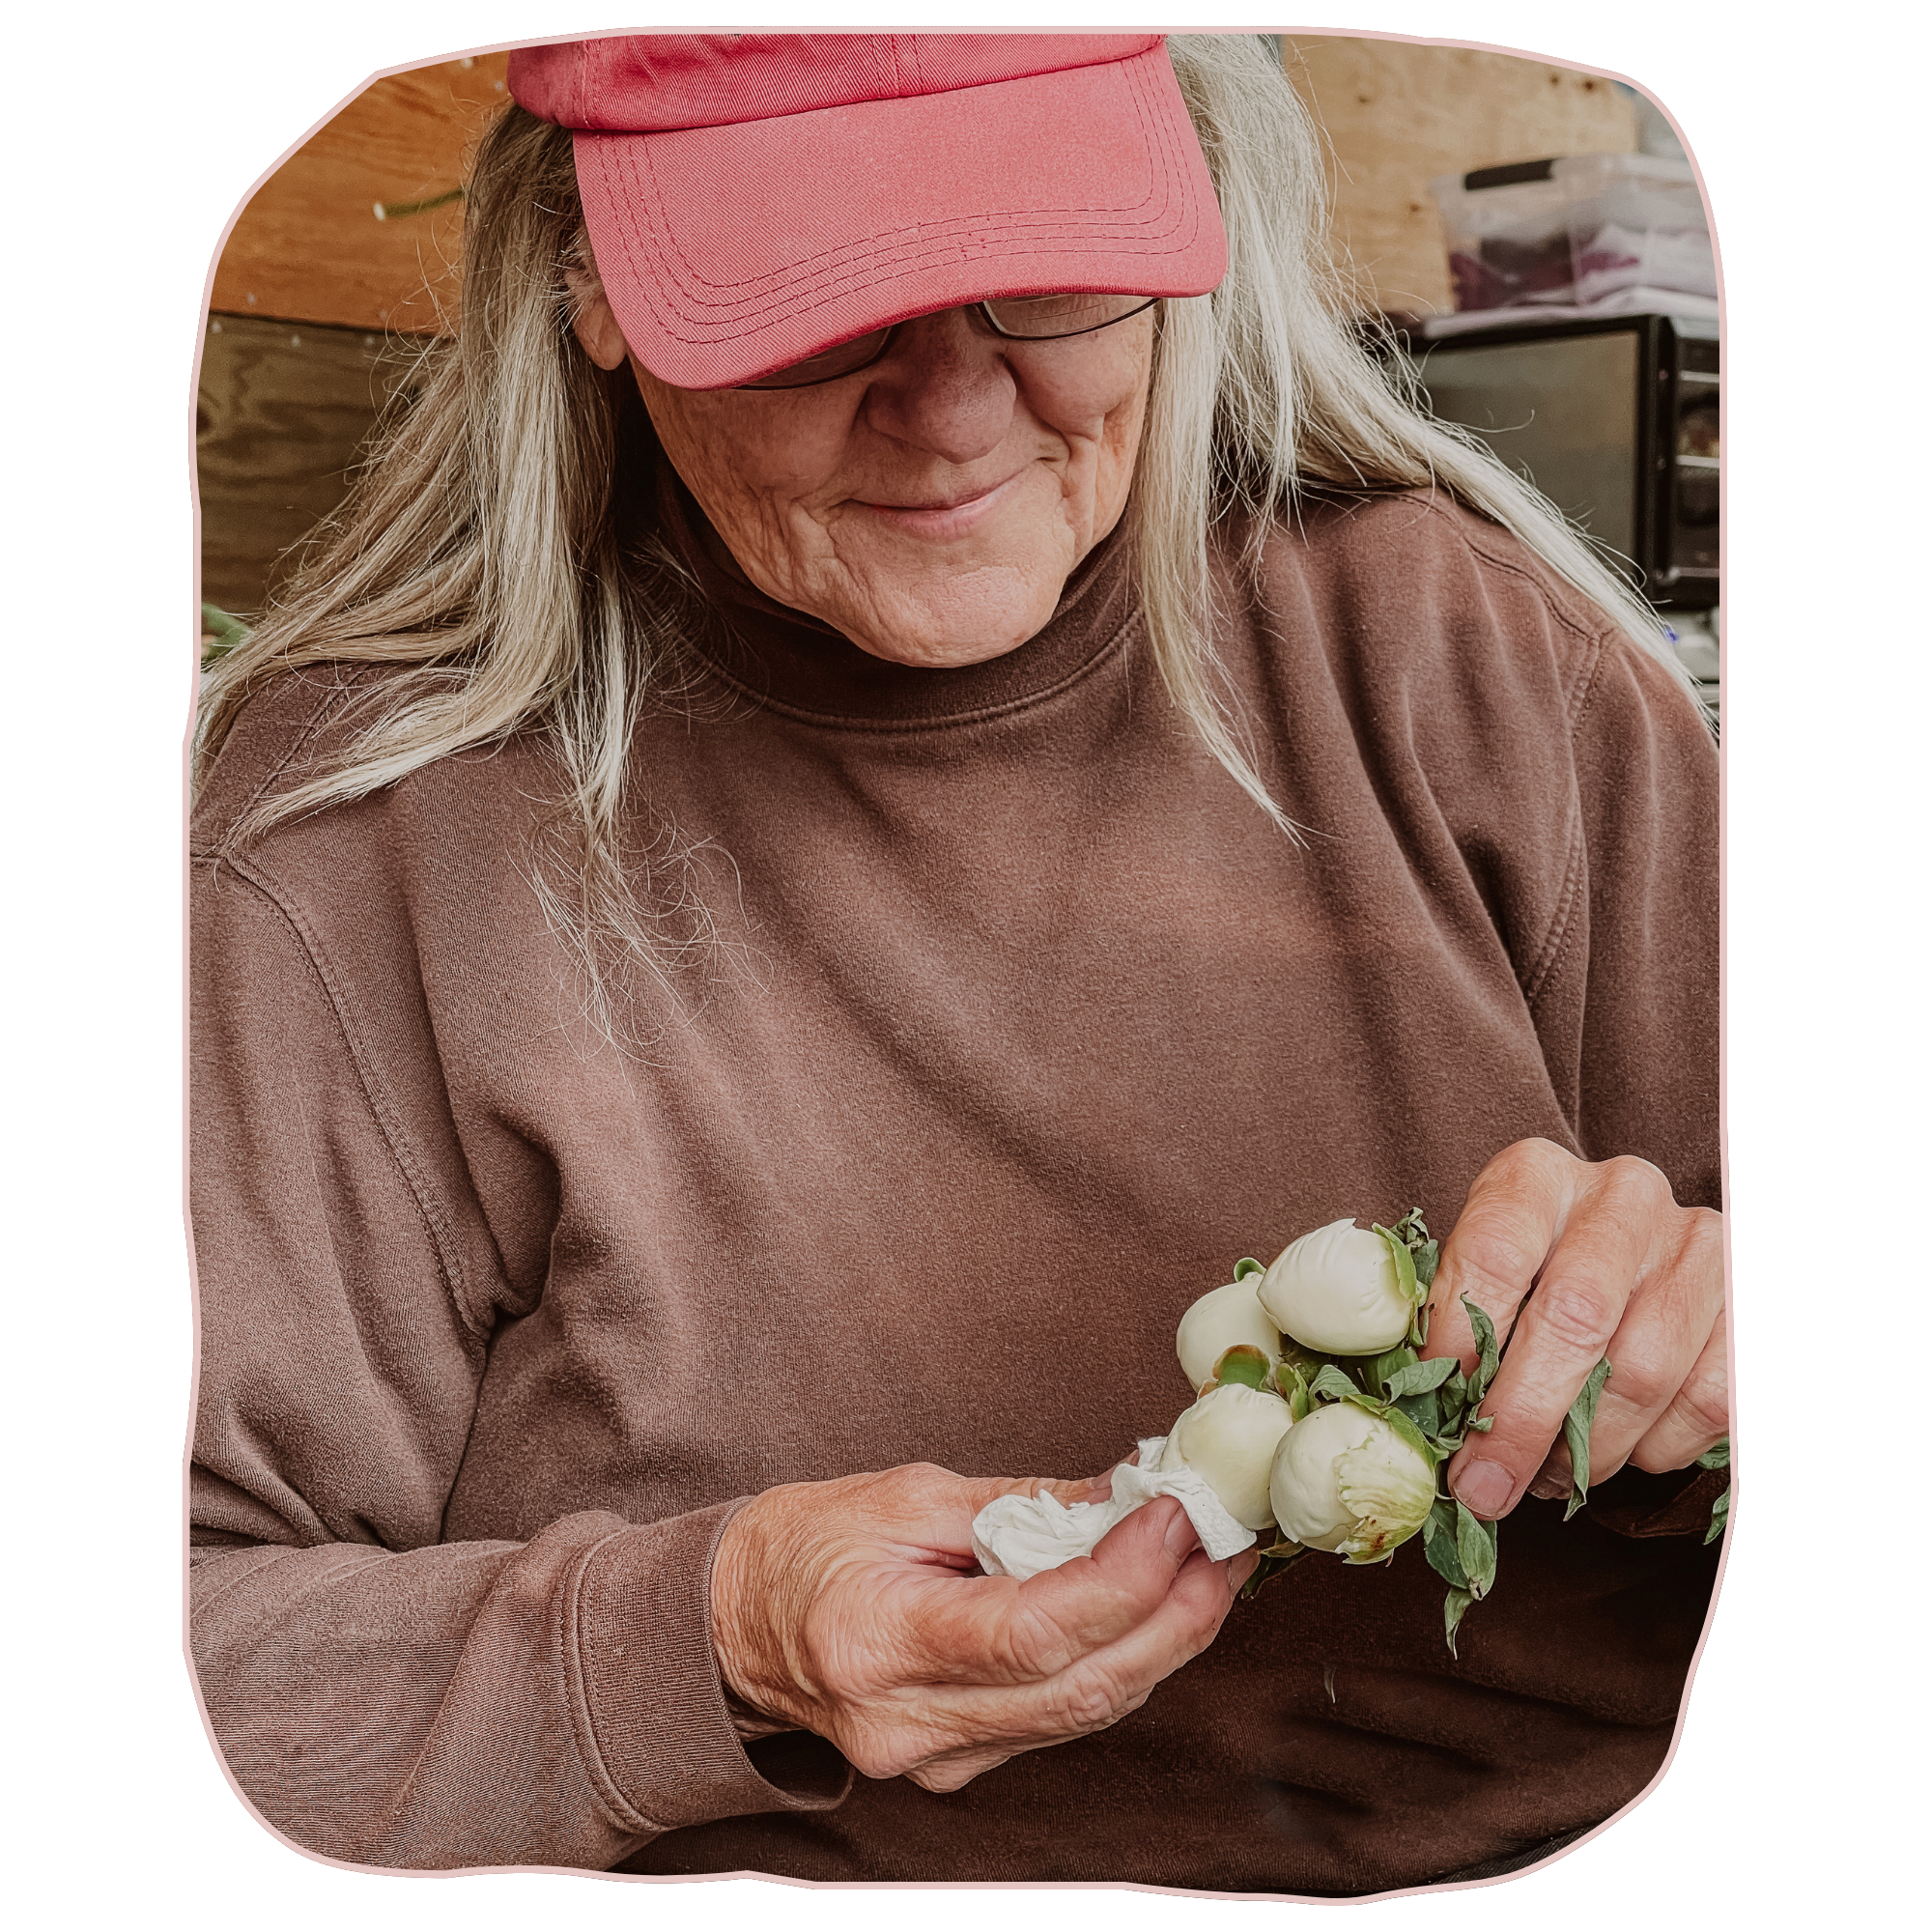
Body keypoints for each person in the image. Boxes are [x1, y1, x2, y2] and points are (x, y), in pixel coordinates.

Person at [188, 33, 1726, 1892]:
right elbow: (224, 1653)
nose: (951, 407)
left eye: (1053, 278)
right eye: (819, 306)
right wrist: (714, 1637)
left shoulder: (1484, 673)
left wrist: (1702, 1343)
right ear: (590, 284)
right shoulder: (343, 839)